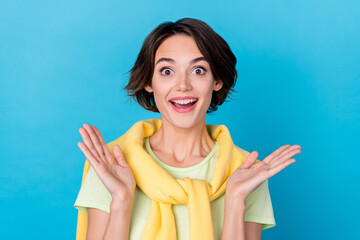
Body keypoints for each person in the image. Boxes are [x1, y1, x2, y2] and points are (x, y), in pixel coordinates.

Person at [74, 18, 301, 240]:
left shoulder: (247, 171)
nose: (183, 85)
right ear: (149, 82)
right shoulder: (111, 163)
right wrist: (121, 200)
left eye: (198, 70)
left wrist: (236, 201)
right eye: (166, 71)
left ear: (217, 80)